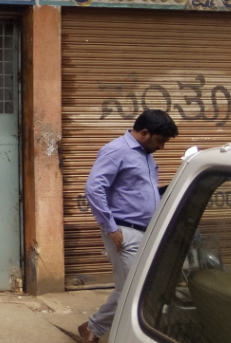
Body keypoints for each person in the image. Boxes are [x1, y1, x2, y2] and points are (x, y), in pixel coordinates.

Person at [79, 109, 178, 343]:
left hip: (145, 231)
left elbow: (139, 190)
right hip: (125, 232)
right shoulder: (116, 151)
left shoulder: (145, 153)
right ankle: (96, 329)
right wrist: (111, 228)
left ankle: (93, 328)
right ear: (144, 132)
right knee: (133, 290)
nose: (162, 147)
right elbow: (94, 188)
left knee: (132, 287)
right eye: (160, 141)